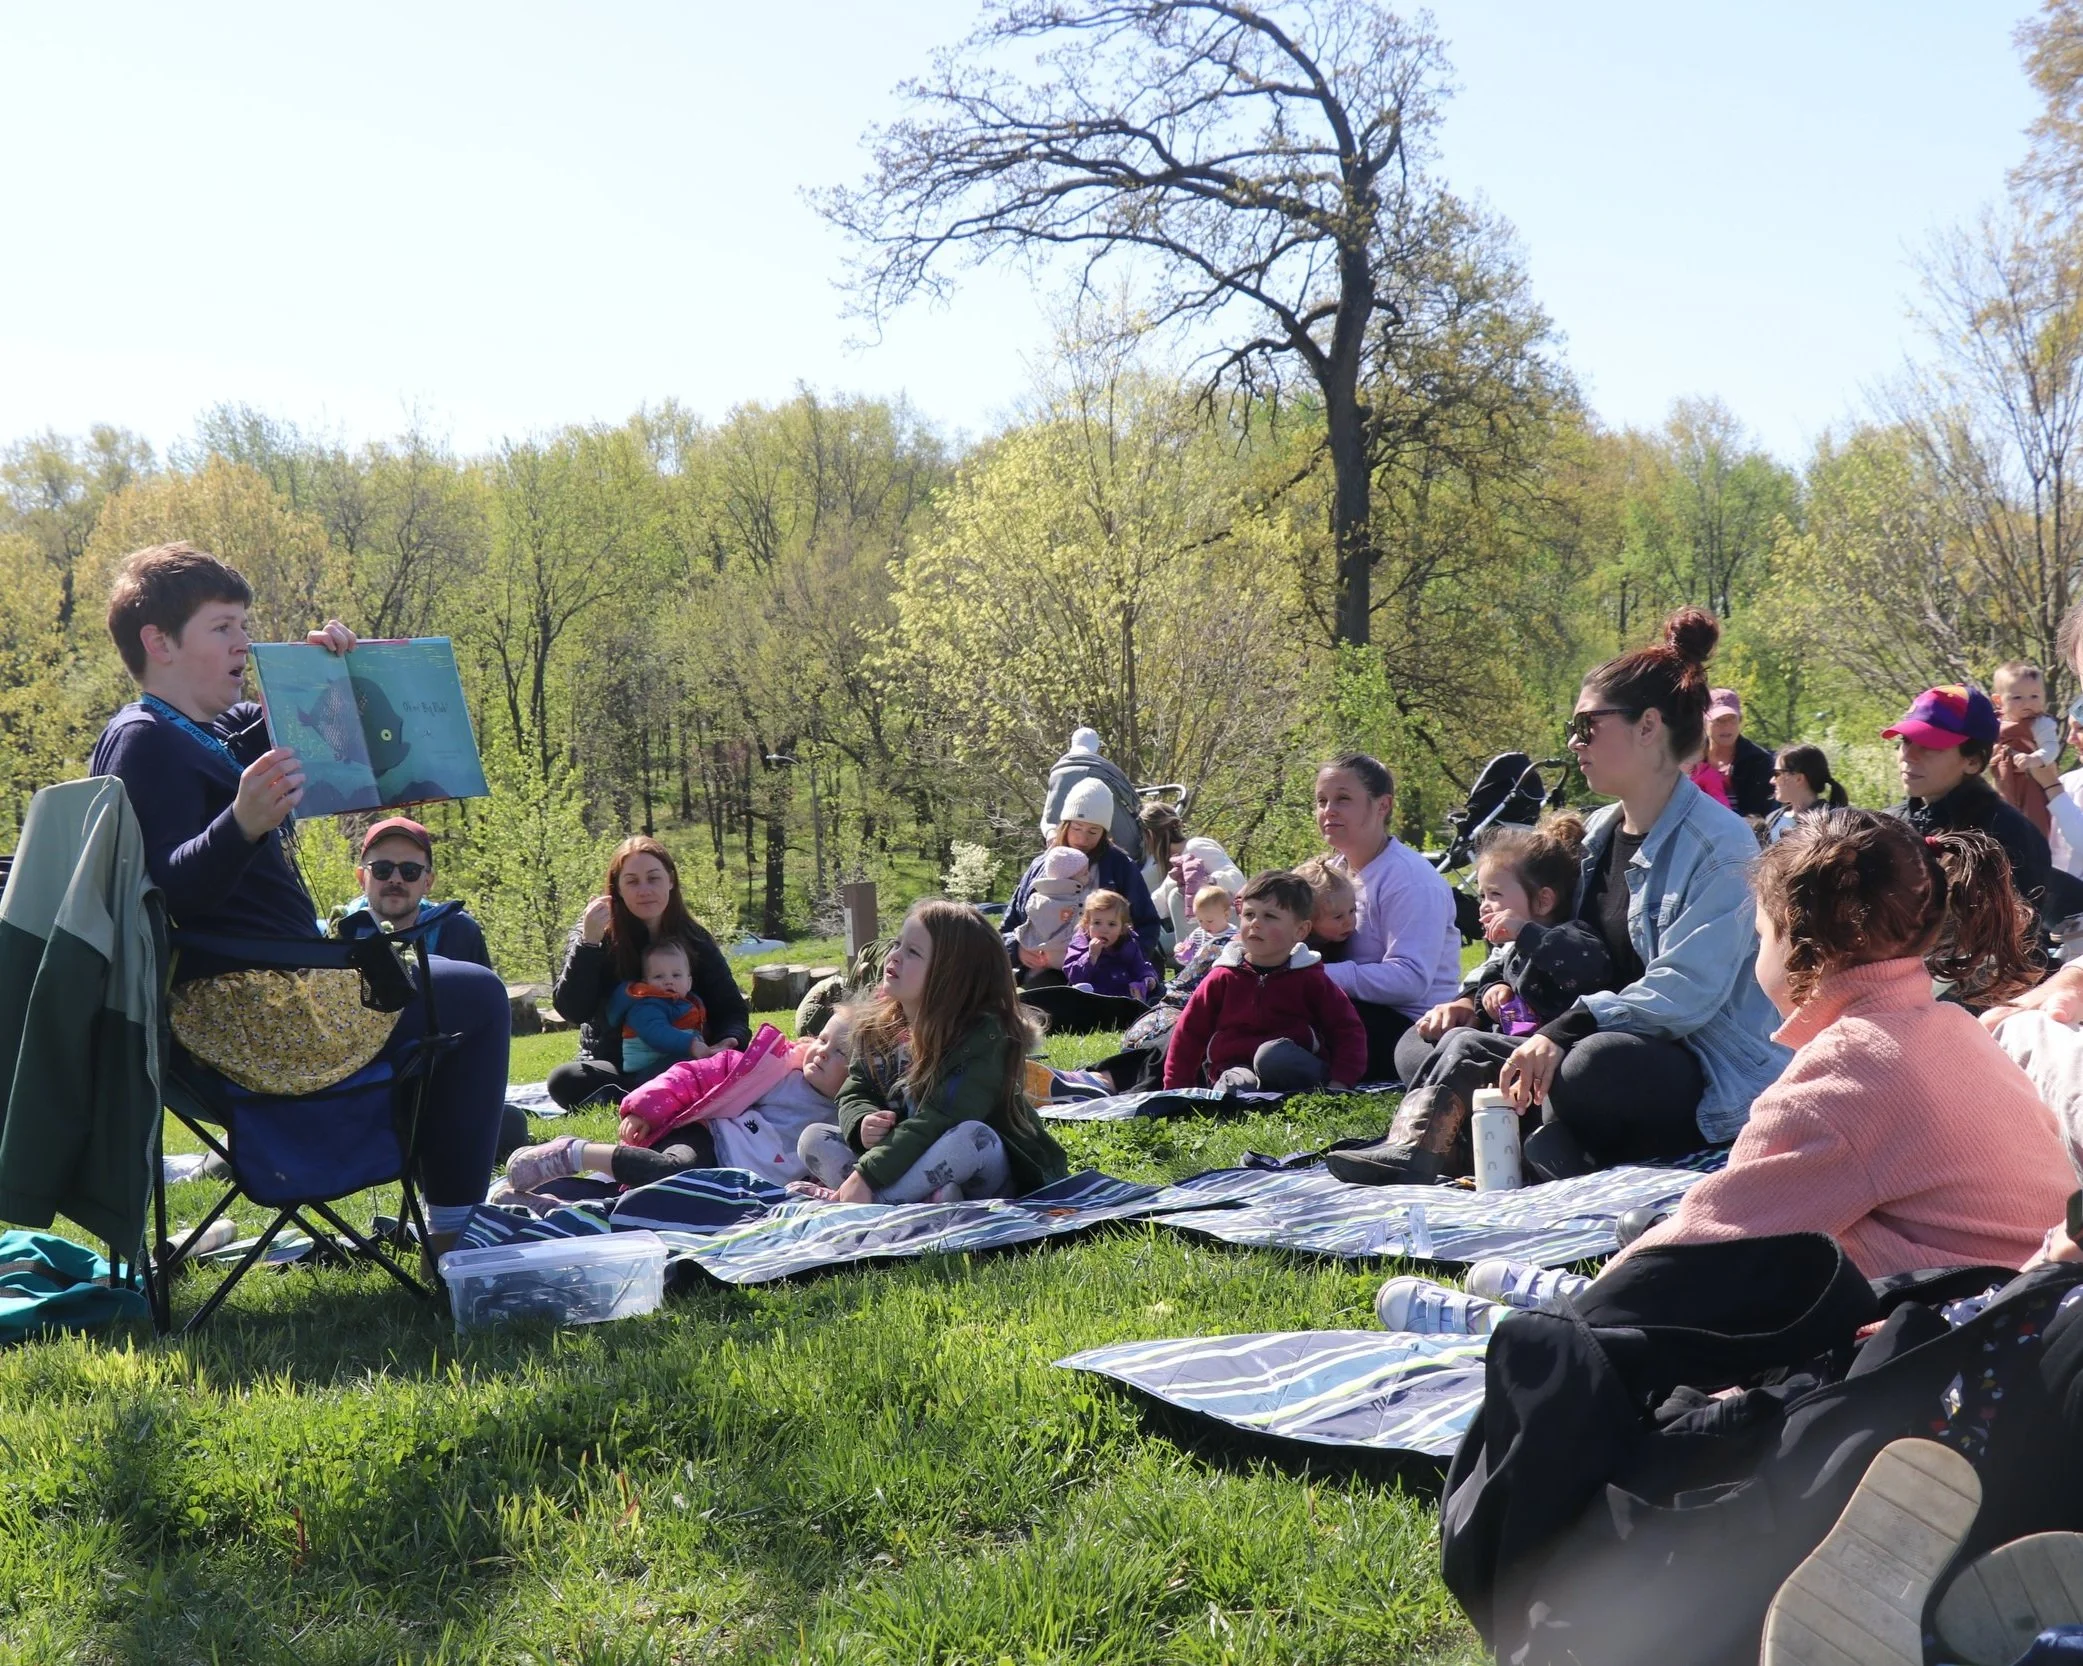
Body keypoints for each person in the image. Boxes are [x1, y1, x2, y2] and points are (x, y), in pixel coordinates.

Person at [88, 542, 510, 1265]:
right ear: (158, 642)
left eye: (244, 626)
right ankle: (454, 1235)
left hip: (282, 981)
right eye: (222, 628)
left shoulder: (217, 730)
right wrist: (240, 824)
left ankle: (449, 1221)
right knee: (472, 998)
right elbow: (159, 898)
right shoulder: (144, 740)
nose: (243, 643)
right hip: (239, 1006)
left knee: (456, 995)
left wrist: (331, 671)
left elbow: (334, 738)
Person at [1612, 810, 2069, 1277]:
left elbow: (1708, 1240)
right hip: (2042, 1290)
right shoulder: (1952, 1024)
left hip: (1964, 1319)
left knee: (1764, 1256)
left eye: (1762, 937)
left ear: (1797, 939)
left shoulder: (1843, 1070)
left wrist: (1586, 1301)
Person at [1482, 607, 1787, 1175]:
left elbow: (1684, 994)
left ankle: (1558, 1142)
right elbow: (1562, 944)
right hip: (1604, 1031)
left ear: (1648, 727)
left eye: (1586, 726)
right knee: (1451, 1048)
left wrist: (1564, 1029)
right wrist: (1487, 991)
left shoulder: (1723, 847)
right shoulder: (1597, 834)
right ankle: (1483, 1143)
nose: (1574, 743)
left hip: (1701, 1066)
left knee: (1591, 1066)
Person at [1331, 813, 1610, 1184]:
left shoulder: (1570, 935)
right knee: (1446, 1041)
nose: (1483, 906)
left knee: (1466, 1045)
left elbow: (1589, 967)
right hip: (1513, 1066)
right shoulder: (1512, 952)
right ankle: (1440, 1144)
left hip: (1556, 1060)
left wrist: (1527, 933)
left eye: (1495, 895)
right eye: (1481, 895)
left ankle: (1414, 1152)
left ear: (1543, 900)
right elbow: (1495, 976)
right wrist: (1490, 993)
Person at [792, 900, 1069, 1204]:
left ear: (951, 976)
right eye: (897, 944)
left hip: (980, 1172)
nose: (894, 956)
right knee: (814, 1137)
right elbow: (855, 1088)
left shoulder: (982, 1039)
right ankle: (911, 1202)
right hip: (903, 1159)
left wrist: (867, 1175)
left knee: (971, 1137)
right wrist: (862, 1121)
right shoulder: (877, 1027)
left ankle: (869, 1201)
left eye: (913, 952)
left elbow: (940, 1120)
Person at [505, 1010, 856, 1194]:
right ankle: (573, 1153)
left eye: (840, 1050)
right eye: (822, 1039)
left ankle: (546, 1196)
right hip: (708, 1139)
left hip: (736, 1184)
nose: (822, 1051)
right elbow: (694, 1075)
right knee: (672, 1174)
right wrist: (646, 1106)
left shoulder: (846, 1118)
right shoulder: (775, 1068)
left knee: (652, 1201)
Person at [548, 837, 752, 1122]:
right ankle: (664, 1090)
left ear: (670, 881)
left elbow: (731, 1009)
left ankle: (659, 1090)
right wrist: (589, 943)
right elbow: (572, 1010)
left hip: (688, 1056)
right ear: (616, 888)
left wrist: (729, 1040)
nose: (644, 890)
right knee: (564, 1080)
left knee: (736, 1062)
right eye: (632, 881)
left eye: (653, 878)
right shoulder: (593, 932)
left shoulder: (695, 939)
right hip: (617, 1063)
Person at [1311, 753, 1465, 1081]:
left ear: (1382, 806)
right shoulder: (1332, 872)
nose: (1328, 811)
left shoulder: (1410, 879)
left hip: (1406, 1029)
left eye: (1343, 799)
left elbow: (1409, 979)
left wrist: (1317, 975)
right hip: (1352, 1009)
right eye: (1322, 800)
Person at [1161, 871, 1367, 1094]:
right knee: (1234, 1085)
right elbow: (1189, 1033)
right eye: (1249, 914)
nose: (1256, 924)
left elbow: (1346, 1029)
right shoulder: (1222, 977)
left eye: (1270, 916)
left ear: (1300, 930)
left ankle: (1302, 1091)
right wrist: (1175, 1088)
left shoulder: (1310, 977)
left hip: (1290, 1064)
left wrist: (1342, 1080)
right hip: (1235, 1066)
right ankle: (1243, 1096)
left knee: (1271, 1056)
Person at [1886, 684, 2053, 924]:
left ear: (1973, 762)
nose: (1908, 755)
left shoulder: (2007, 836)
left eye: (1930, 745)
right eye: (1906, 740)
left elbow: (2018, 938)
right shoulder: (1885, 826)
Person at [1003, 777, 1163, 969]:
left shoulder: (1121, 866)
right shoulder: (1040, 865)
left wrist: (1123, 961)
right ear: (1065, 825)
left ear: (1104, 833)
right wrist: (1017, 949)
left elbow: (1148, 925)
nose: (1082, 838)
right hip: (1044, 970)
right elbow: (1008, 927)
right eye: (1076, 827)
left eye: (1093, 831)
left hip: (1103, 972)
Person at [330, 816, 492, 967]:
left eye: (409, 871)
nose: (395, 879)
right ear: (361, 878)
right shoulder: (340, 932)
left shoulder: (458, 931)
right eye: (382, 869)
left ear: (428, 882)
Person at [606, 940, 708, 1078]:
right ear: (646, 982)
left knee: (702, 1063)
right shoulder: (646, 1005)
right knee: (691, 1066)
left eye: (676, 975)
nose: (668, 981)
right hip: (645, 1071)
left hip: (665, 1063)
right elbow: (657, 1032)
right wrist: (692, 1045)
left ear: (689, 982)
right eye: (658, 976)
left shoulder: (685, 1004)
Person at [1991, 660, 2064, 839]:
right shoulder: (1996, 724)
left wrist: (2035, 759)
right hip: (2005, 782)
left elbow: (2051, 747)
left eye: (2034, 696)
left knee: (2034, 823)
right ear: (1999, 700)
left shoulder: (2040, 723)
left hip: (2032, 783)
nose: (2027, 703)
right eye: (2017, 697)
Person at [1689, 687, 1778, 819]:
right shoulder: (1688, 759)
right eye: (1719, 720)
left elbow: (1763, 815)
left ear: (1740, 720)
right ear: (1704, 721)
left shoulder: (1760, 761)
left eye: (1732, 719)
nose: (1726, 727)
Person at [1061, 890, 1161, 1002]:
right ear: (1087, 924)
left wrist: (1148, 979)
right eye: (1097, 923)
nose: (1104, 930)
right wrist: (1090, 957)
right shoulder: (1081, 943)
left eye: (1112, 924)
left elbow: (1140, 965)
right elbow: (1073, 976)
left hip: (1124, 997)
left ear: (1122, 929)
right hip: (1093, 1000)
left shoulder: (1128, 943)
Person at [1012, 845, 1090, 970]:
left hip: (1040, 959)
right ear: (1070, 877)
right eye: (1085, 873)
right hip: (1071, 959)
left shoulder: (1037, 898)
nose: (1089, 876)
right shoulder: (1076, 901)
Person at [1764, 745, 1847, 843]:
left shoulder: (1832, 822)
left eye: (1777, 774)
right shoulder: (1773, 819)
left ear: (1799, 778)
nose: (1772, 781)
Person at [1293, 855, 1357, 963]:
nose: (1349, 922)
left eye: (1352, 911)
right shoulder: (1299, 953)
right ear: (1309, 921)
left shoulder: (1332, 939)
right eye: (1338, 917)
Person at [1172, 884, 1235, 967]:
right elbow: (1187, 961)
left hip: (1221, 976)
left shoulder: (1233, 936)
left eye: (1209, 921)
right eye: (1200, 920)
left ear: (1226, 915)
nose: (1203, 926)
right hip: (1199, 977)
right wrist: (1181, 951)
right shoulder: (1198, 934)